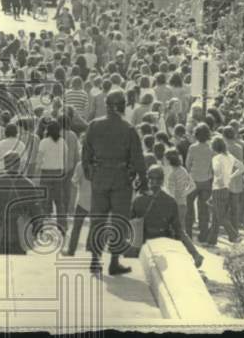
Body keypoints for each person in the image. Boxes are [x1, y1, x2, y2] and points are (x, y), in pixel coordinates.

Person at [81, 90, 147, 276]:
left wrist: (90, 173)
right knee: (119, 220)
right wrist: (143, 179)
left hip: (100, 177)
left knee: (98, 220)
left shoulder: (94, 125)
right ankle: (114, 262)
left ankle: (95, 260)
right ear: (122, 106)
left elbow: (85, 153)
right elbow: (138, 157)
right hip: (121, 179)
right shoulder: (128, 128)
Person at [129, 165, 203, 268]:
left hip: (143, 243)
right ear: (163, 180)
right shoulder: (170, 201)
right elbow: (179, 231)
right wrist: (195, 253)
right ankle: (197, 255)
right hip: (164, 242)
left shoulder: (139, 200)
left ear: (147, 179)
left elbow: (129, 223)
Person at [0, 152, 43, 255]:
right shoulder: (28, 184)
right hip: (20, 236)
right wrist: (37, 230)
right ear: (19, 165)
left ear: (5, 164)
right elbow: (36, 211)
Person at [207, 136, 244, 246]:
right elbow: (242, 168)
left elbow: (218, 173)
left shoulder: (216, 158)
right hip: (227, 188)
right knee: (216, 215)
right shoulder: (230, 156)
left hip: (218, 188)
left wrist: (221, 181)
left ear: (214, 147)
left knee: (220, 216)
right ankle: (211, 240)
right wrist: (231, 176)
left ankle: (234, 235)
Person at [184, 123, 214, 241]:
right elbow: (213, 166)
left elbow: (187, 164)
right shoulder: (211, 149)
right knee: (204, 209)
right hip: (206, 181)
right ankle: (203, 235)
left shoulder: (192, 148)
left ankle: (188, 233)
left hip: (193, 180)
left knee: (189, 208)